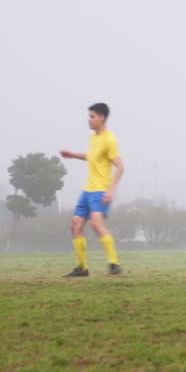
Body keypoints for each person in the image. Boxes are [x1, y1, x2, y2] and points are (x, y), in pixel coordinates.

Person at [59, 102, 125, 277]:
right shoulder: (93, 138)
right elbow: (92, 157)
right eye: (89, 116)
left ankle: (114, 263)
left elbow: (120, 166)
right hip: (87, 190)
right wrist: (72, 155)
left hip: (100, 191)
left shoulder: (110, 139)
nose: (89, 120)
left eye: (92, 116)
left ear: (102, 117)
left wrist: (110, 190)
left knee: (96, 223)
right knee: (75, 225)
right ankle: (82, 268)